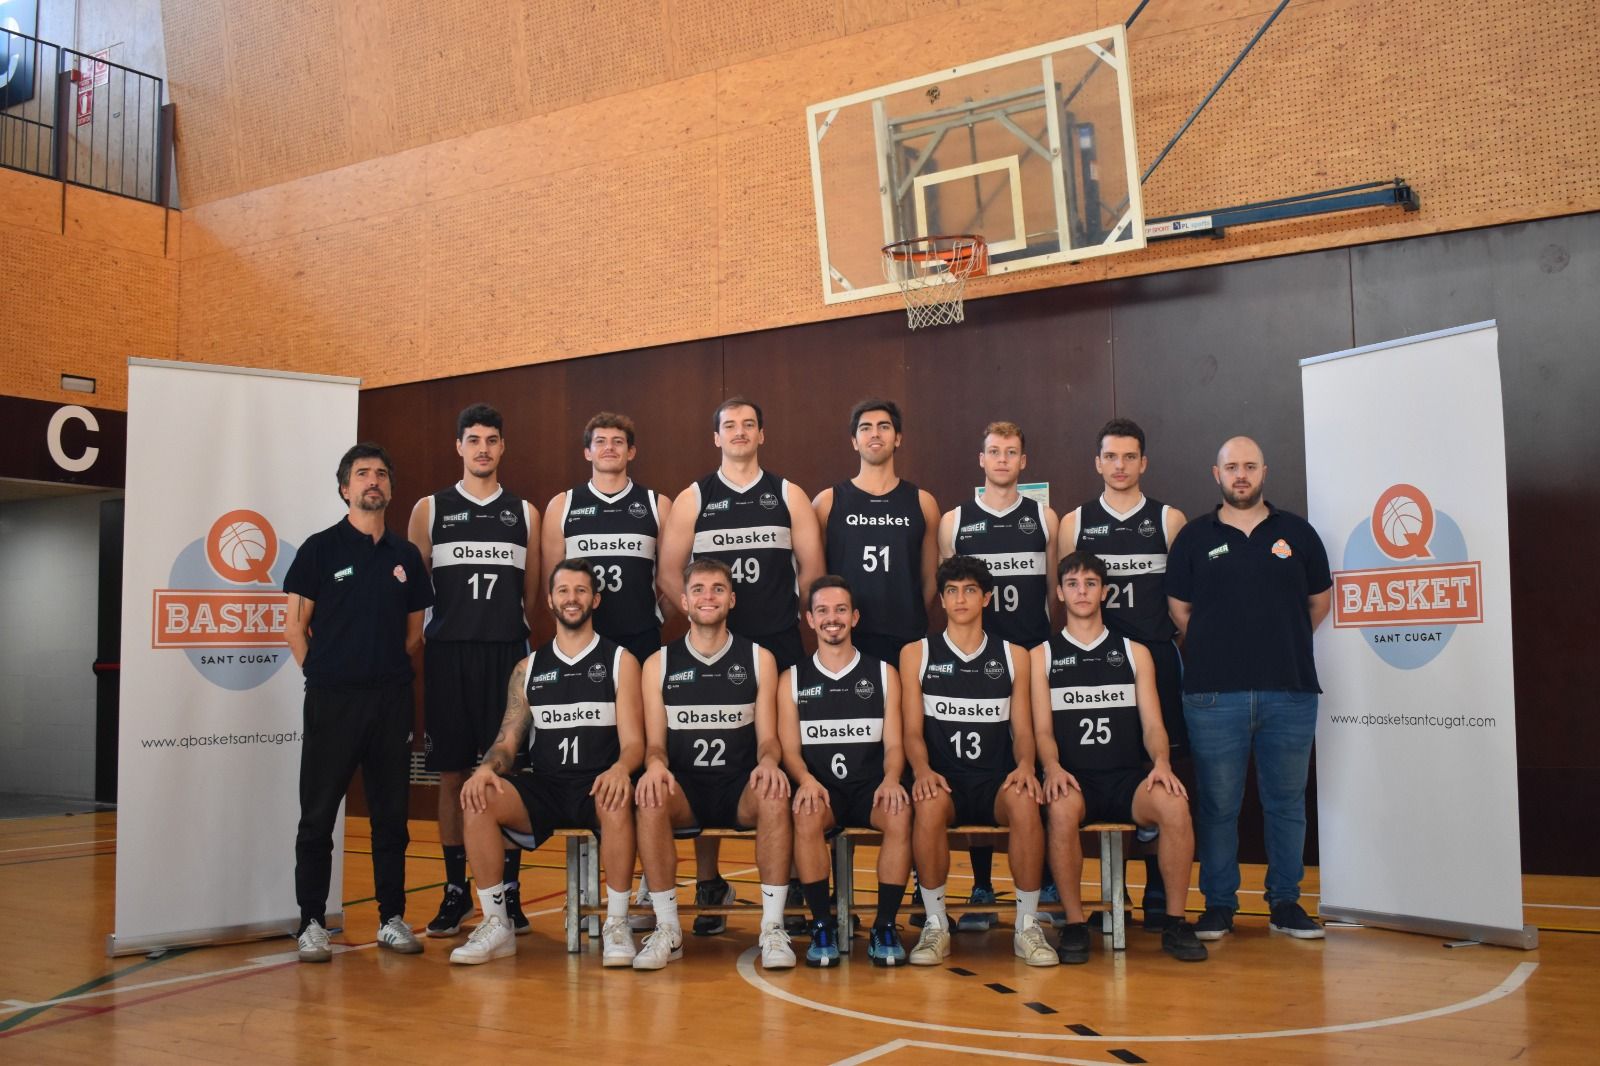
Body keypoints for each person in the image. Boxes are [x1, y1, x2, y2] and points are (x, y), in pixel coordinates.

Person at [659, 396, 824, 933]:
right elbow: (667, 575)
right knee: (700, 758)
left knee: (786, 762)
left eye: (748, 424)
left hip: (777, 642)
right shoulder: (693, 498)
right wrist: (703, 618)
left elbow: (813, 574)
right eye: (729, 425)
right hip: (709, 645)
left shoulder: (788, 493)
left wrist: (787, 622)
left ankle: (797, 881)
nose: (739, 432)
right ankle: (709, 881)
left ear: (762, 434)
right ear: (716, 437)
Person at [1165, 436, 1332, 941]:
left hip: (1290, 691)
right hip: (1215, 697)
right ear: (1215, 474)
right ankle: (1218, 906)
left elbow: (1319, 603)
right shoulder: (1194, 538)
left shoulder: (1298, 533)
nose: (1241, 475)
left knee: (1286, 803)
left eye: (1250, 466)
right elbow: (1181, 612)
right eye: (1231, 467)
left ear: (1265, 472)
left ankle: (1285, 904)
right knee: (1218, 806)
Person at [449, 559, 644, 966]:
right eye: (563, 591)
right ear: (550, 601)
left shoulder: (619, 660)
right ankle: (497, 924)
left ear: (595, 598)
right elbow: (507, 742)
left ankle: (618, 923)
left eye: (580, 590)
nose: (572, 598)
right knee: (478, 796)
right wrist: (486, 768)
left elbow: (634, 744)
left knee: (615, 797)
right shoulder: (528, 669)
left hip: (597, 784)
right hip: (548, 785)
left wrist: (621, 769)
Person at [285, 443, 433, 962]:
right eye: (363, 473)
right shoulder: (319, 550)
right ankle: (310, 923)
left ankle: (391, 917)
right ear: (345, 487)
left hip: (389, 702)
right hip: (332, 701)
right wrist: (325, 676)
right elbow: (294, 628)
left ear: (390, 488)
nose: (374, 480)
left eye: (382, 474)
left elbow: (415, 633)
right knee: (318, 817)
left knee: (391, 816)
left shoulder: (405, 557)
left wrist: (380, 675)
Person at [1030, 551, 1207, 964]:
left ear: (1104, 592)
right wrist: (1052, 768)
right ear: (1059, 593)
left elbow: (1153, 726)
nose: (1081, 591)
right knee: (1058, 810)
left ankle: (1176, 922)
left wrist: (1161, 763)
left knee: (1175, 804)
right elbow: (1041, 731)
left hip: (1128, 779)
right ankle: (1074, 924)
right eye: (1072, 584)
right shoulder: (1043, 655)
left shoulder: (1134, 652)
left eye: (1090, 583)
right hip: (1076, 780)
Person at [408, 404, 540, 939]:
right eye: (473, 440)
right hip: (448, 655)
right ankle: (456, 889)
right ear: (458, 446)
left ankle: (508, 893)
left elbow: (529, 595)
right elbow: (417, 593)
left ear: (502, 447)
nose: (482, 448)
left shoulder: (525, 512)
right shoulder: (430, 509)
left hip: (506, 655)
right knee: (452, 773)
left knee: (506, 770)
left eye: (491, 439)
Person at [631, 558, 797, 971]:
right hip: (685, 789)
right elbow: (655, 746)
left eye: (718, 589)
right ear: (684, 600)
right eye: (700, 589)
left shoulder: (759, 659)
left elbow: (769, 740)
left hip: (738, 786)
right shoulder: (658, 664)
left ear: (732, 599)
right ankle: (668, 929)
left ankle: (773, 927)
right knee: (650, 796)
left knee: (775, 793)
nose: (709, 596)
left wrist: (770, 763)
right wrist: (654, 766)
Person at [1058, 417, 1188, 926]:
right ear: (1098, 462)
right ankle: (1113, 894)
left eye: (1129, 457)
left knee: (1161, 772)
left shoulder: (1167, 520)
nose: (1119, 465)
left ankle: (1157, 888)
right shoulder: (1076, 521)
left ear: (1143, 463)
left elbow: (1180, 601)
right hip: (1094, 660)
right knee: (1098, 771)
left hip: (1152, 655)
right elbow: (1063, 592)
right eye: (1110, 456)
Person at [901, 556, 1056, 968]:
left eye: (970, 590)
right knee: (928, 805)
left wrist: (1025, 766)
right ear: (943, 600)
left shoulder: (1013, 655)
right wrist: (921, 770)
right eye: (951, 591)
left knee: (1025, 802)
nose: (960, 598)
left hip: (995, 781)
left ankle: (1026, 926)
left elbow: (1023, 731)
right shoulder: (916, 653)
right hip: (945, 780)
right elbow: (912, 733)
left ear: (986, 598)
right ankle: (936, 924)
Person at [937, 421, 1058, 928]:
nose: (1002, 459)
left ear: (1023, 461)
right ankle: (982, 883)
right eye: (994, 451)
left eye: (1011, 452)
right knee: (978, 763)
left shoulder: (1044, 516)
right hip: (975, 656)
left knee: (1031, 765)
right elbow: (949, 586)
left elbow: (1055, 587)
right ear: (980, 459)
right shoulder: (955, 520)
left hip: (1029, 652)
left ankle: (1043, 878)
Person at [778, 575, 912, 967]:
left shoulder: (885, 674)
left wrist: (891, 778)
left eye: (840, 610)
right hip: (822, 788)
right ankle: (822, 926)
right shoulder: (792, 678)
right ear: (809, 619)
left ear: (854, 617)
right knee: (804, 813)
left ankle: (884, 926)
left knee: (900, 811)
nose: (831, 618)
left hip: (871, 786)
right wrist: (804, 780)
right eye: (822, 611)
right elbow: (789, 749)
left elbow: (895, 744)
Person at [813, 399, 939, 666]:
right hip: (848, 636)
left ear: (898, 438)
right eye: (865, 428)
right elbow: (817, 576)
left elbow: (930, 580)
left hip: (906, 636)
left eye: (884, 426)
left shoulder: (922, 502)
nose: (875, 434)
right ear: (854, 441)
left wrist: (907, 611)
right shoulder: (827, 502)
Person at [542, 411, 672, 668]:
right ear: (587, 452)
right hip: (584, 637)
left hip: (640, 637)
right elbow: (551, 585)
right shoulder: (562, 505)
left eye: (618, 441)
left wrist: (655, 618)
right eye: (600, 441)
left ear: (631, 452)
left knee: (637, 709)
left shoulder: (657, 504)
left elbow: (674, 576)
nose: (609, 447)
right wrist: (572, 626)